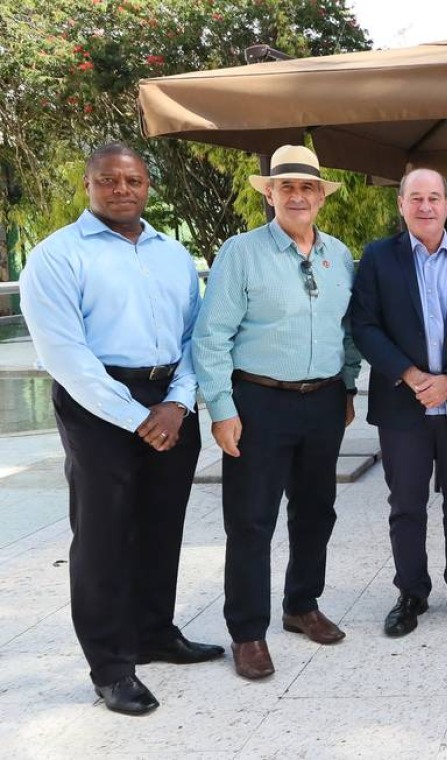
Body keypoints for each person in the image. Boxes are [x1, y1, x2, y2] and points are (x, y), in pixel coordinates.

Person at [20, 143, 222, 715]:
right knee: (104, 537)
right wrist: (139, 417)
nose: (121, 190)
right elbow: (66, 356)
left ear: (147, 185)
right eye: (108, 181)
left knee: (163, 523)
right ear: (88, 185)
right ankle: (110, 665)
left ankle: (155, 633)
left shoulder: (172, 254)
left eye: (132, 180)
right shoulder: (57, 256)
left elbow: (195, 337)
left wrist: (178, 402)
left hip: (170, 399)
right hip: (98, 404)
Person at [193, 145, 361, 680]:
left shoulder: (339, 255)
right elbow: (211, 336)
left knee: (316, 511)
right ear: (269, 194)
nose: (297, 195)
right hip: (258, 401)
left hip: (324, 400)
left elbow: (350, 331)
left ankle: (301, 606)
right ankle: (247, 632)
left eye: (306, 187)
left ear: (320, 197)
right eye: (285, 186)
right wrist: (221, 407)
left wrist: (349, 388)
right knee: (251, 521)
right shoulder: (239, 253)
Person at [350, 168, 447, 636]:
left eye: (434, 197)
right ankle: (411, 593)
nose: (426, 206)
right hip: (403, 404)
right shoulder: (378, 258)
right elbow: (365, 326)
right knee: (407, 504)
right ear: (401, 205)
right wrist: (411, 375)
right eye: (416, 198)